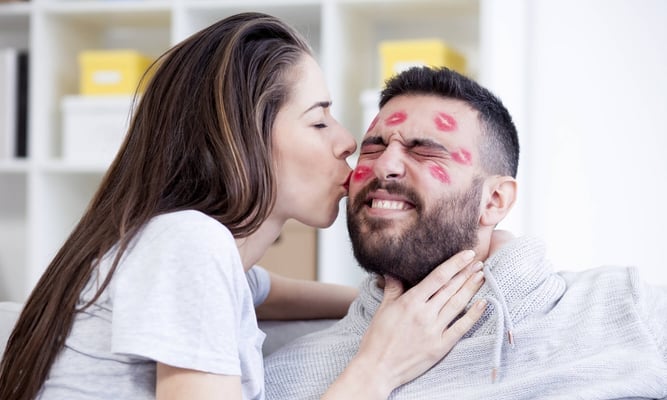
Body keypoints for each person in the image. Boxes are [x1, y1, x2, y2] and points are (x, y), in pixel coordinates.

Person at [0, 13, 490, 400]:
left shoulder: (203, 258)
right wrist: (378, 367)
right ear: (242, 139)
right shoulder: (189, 244)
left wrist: (392, 302)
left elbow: (269, 292)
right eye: (319, 121)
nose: (348, 142)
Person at [264, 66, 667, 399]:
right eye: (373, 148)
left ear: (494, 201)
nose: (385, 165)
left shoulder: (629, 307)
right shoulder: (280, 377)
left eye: (424, 150)